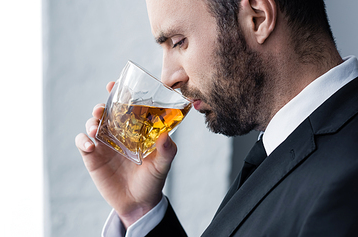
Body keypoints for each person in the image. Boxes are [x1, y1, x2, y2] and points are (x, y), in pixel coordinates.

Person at [75, 0, 358, 236]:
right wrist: (141, 210)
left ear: (258, 18)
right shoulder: (280, 147)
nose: (168, 78)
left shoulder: (346, 180)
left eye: (178, 42)